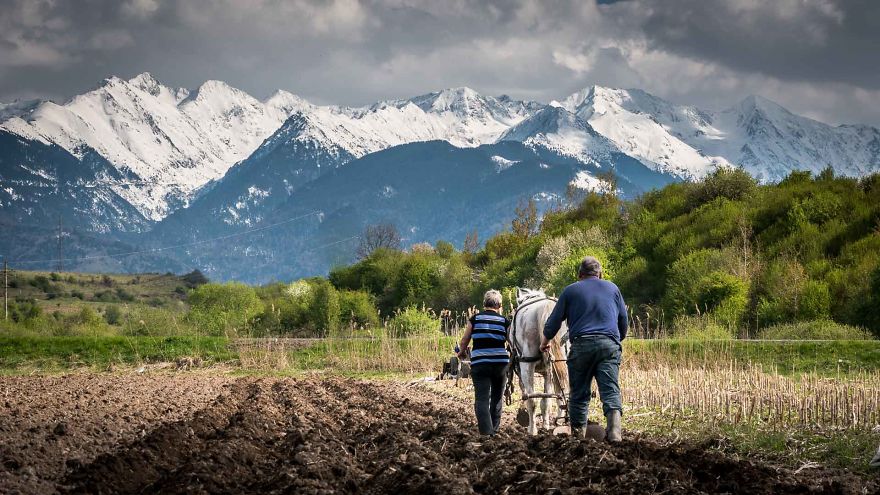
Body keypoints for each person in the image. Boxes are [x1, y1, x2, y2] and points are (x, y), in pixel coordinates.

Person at [541, 256, 628, 442]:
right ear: (600, 274)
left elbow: (554, 322)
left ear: (580, 275)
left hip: (582, 345)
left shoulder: (570, 290)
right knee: (610, 390)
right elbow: (623, 321)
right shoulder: (613, 288)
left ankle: (579, 437)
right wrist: (615, 341)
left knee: (579, 393)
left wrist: (545, 341)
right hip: (609, 345)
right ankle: (614, 433)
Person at [458, 289, 510, 435]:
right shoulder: (505, 321)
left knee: (481, 399)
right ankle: (494, 430)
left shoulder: (475, 319)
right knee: (497, 398)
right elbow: (511, 342)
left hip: (480, 364)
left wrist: (461, 352)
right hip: (500, 364)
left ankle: (487, 434)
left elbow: (465, 339)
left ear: (484, 304)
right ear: (499, 305)